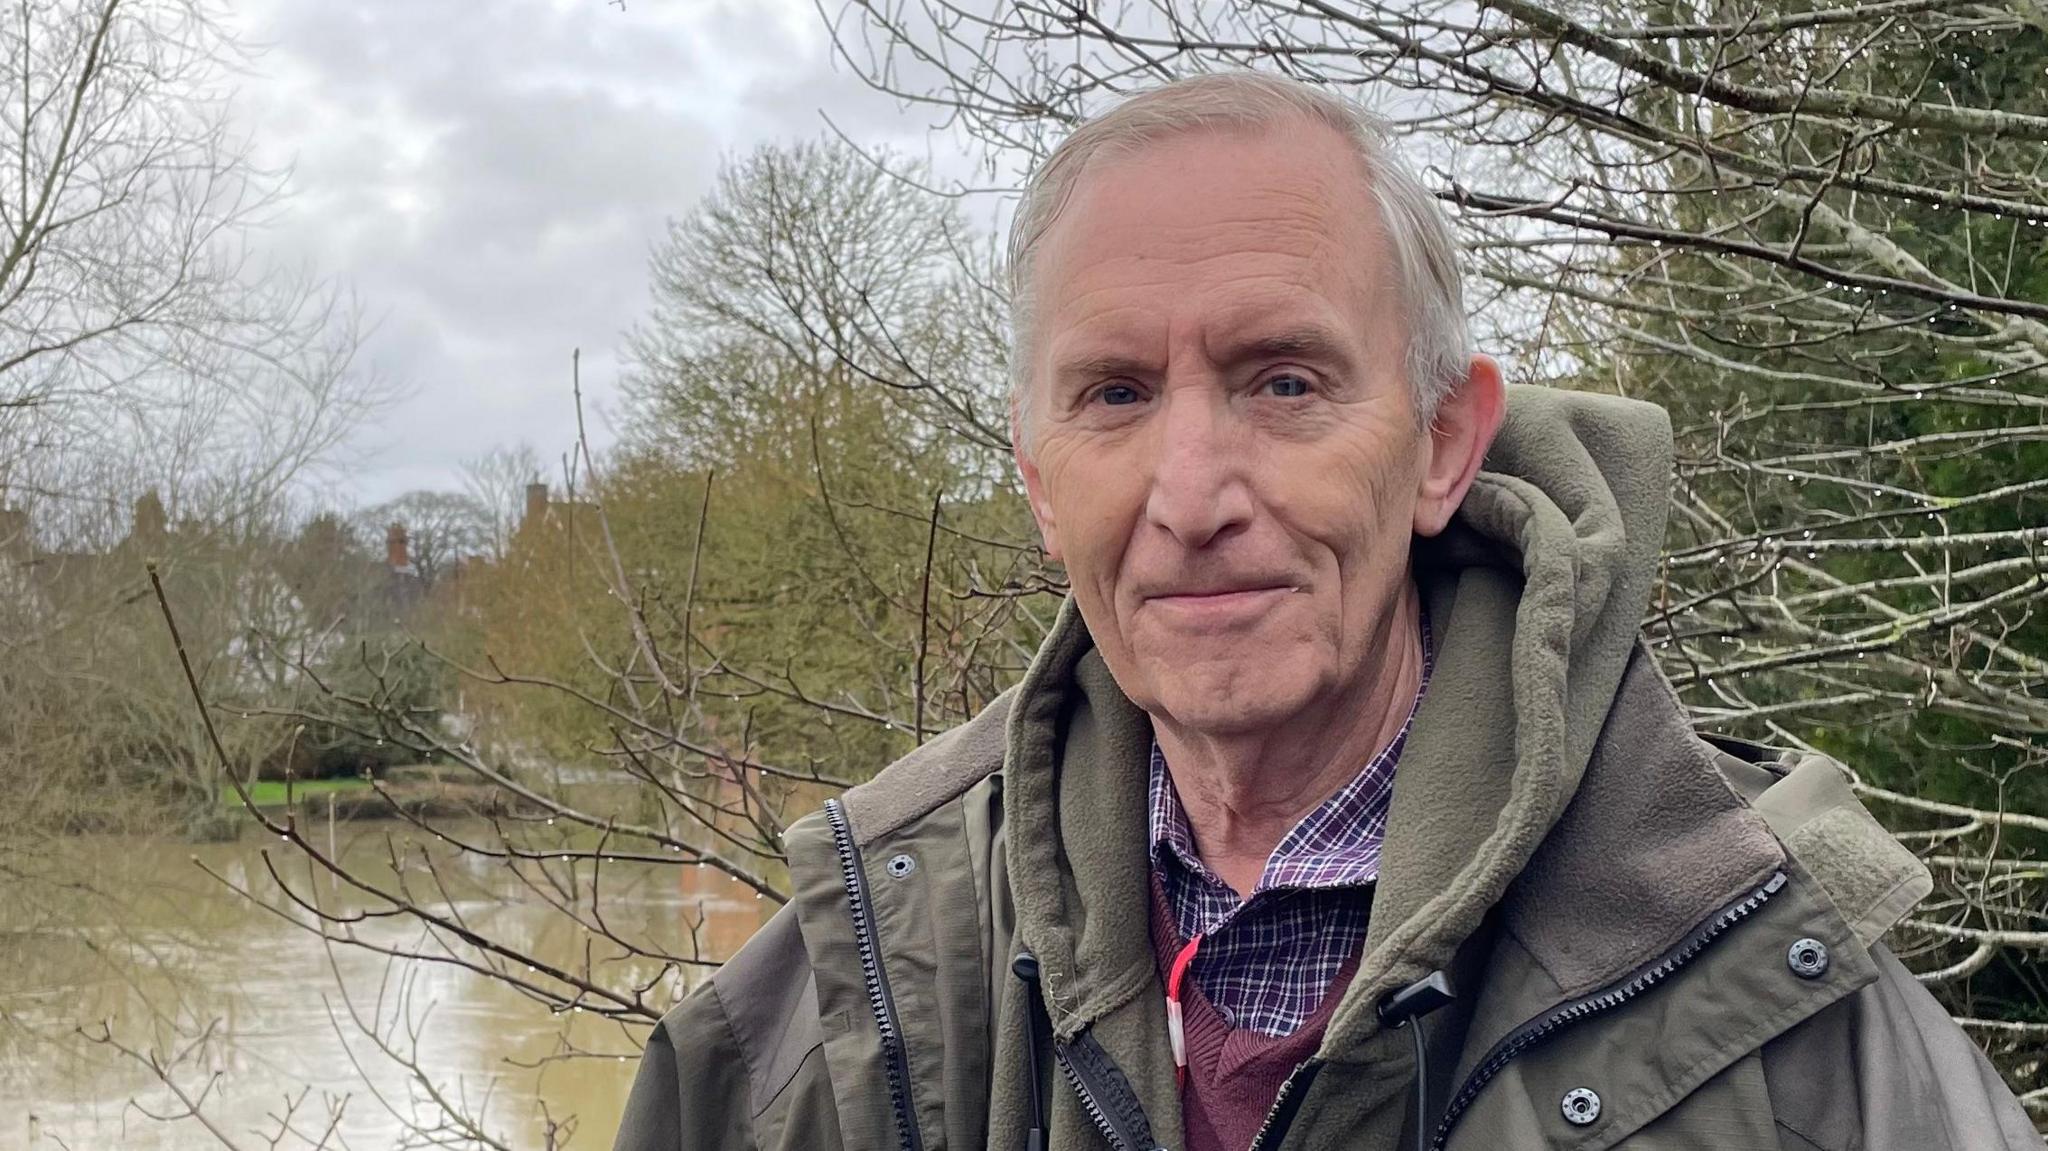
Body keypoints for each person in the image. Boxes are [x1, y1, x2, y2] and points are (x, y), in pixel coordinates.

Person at [612, 70, 2039, 1151]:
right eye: (1113, 395)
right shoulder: (870, 984)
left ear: (1439, 443)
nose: (1190, 493)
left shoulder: (1769, 989)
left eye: (1284, 381)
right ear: (1039, 480)